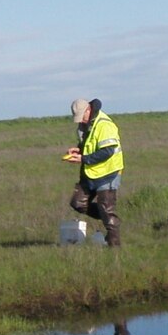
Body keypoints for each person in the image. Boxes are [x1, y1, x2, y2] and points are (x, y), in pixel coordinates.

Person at [65, 97, 124, 247]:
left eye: (82, 117)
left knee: (106, 209)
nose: (81, 121)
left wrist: (83, 159)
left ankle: (114, 248)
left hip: (108, 172)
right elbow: (89, 144)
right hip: (91, 173)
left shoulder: (104, 125)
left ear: (88, 110)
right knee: (77, 203)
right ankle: (110, 219)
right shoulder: (85, 125)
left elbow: (108, 151)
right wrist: (78, 149)